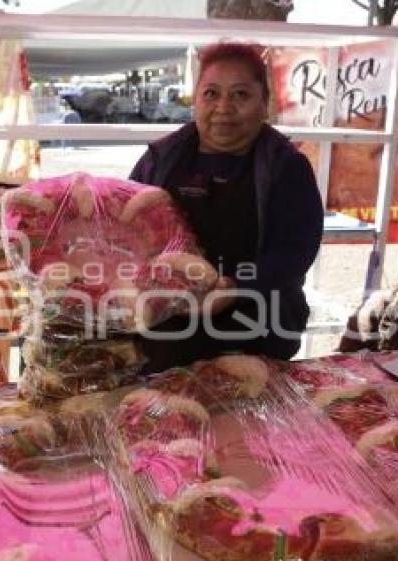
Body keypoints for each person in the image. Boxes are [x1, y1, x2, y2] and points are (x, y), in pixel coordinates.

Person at [129, 42, 323, 371]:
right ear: (195, 100)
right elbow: (128, 227)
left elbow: (296, 252)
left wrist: (235, 288)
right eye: (211, 93)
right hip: (168, 329)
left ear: (265, 103)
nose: (224, 107)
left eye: (240, 95)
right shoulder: (161, 159)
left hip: (255, 329)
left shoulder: (285, 166)